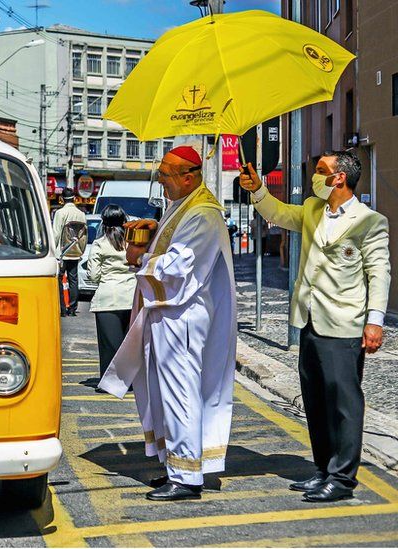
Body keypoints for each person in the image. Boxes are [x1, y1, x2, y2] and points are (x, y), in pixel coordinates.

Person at [240, 151, 390, 503]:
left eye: (321, 171)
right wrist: (258, 189)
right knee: (316, 402)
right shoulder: (311, 209)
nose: (314, 176)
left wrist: (375, 321)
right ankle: (323, 469)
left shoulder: (370, 221)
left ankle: (341, 479)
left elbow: (378, 273)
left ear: (339, 178)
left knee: (344, 404)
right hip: (308, 320)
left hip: (344, 325)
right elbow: (277, 213)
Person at [98, 145, 237, 502]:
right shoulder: (182, 208)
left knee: (182, 395)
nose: (160, 182)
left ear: (188, 177)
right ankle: (175, 466)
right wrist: (153, 231)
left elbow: (178, 268)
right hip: (167, 315)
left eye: (165, 175)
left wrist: (139, 257)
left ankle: (188, 477)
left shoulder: (203, 214)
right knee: (166, 393)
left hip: (183, 318)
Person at [85, 204, 136, 385]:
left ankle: (110, 383)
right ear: (124, 221)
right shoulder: (133, 242)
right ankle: (129, 381)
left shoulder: (100, 244)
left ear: (103, 222)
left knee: (109, 345)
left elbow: (93, 275)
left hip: (107, 298)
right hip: (132, 297)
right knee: (128, 344)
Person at [53, 187, 87, 316]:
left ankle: (62, 308)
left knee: (60, 279)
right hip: (75, 251)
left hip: (61, 252)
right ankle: (72, 308)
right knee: (73, 279)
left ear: (62, 199)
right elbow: (83, 235)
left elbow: (56, 233)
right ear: (75, 199)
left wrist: (53, 251)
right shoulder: (81, 214)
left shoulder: (60, 213)